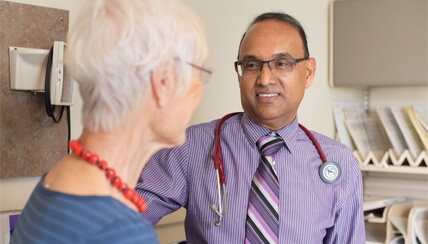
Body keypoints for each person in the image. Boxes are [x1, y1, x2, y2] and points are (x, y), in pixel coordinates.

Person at [136, 11, 366, 243]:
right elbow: (116, 222)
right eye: (252, 64)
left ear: (308, 72)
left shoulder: (340, 164)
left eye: (281, 63)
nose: (265, 78)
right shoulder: (191, 146)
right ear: (239, 74)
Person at [10, 0, 210, 243]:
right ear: (163, 81)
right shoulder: (122, 232)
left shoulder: (56, 182)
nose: (199, 90)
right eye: (199, 74)